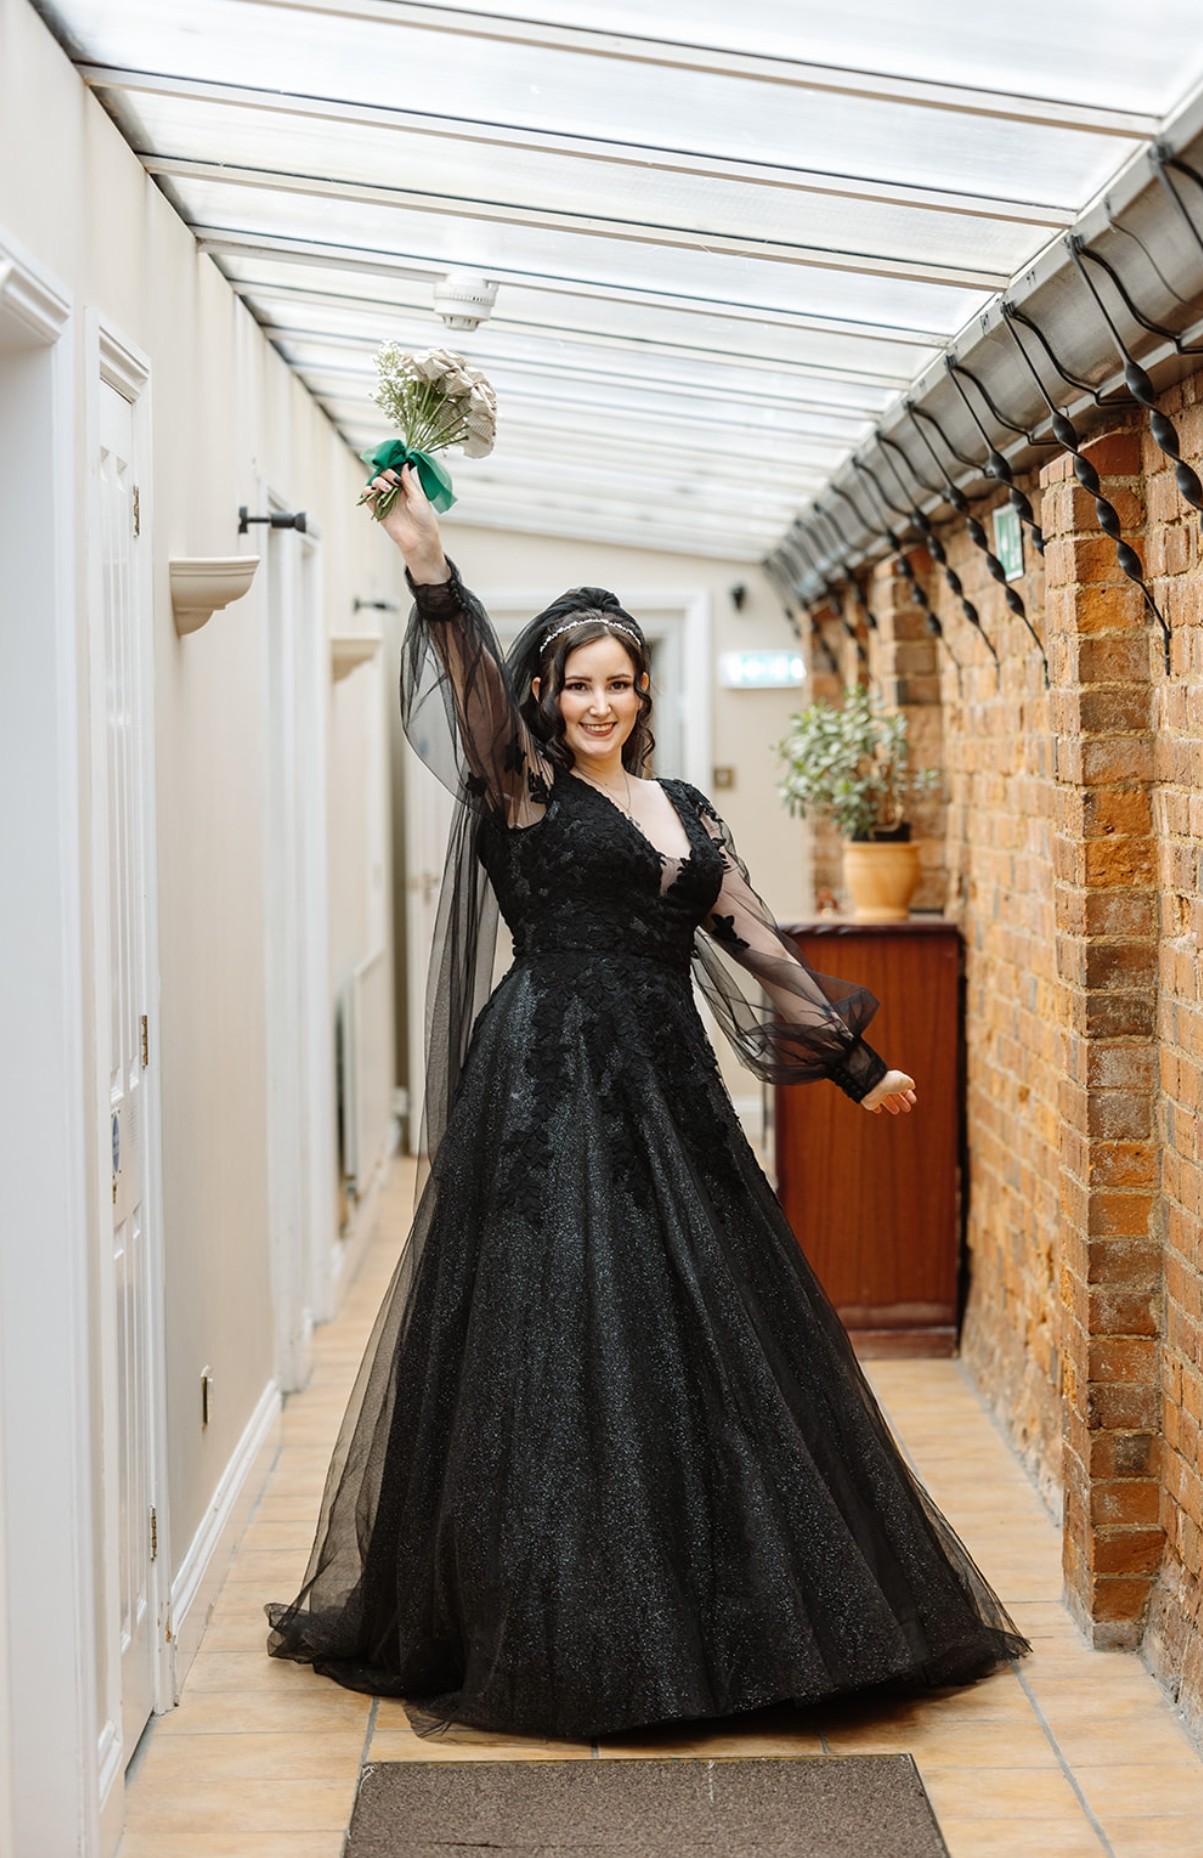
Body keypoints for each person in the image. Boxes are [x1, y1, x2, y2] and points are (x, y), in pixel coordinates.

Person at [265, 463, 1030, 1739]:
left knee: (707, 1321)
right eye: (578, 684)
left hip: (667, 1089)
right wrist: (429, 565)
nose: (599, 702)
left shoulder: (680, 809)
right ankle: (566, 1622)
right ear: (546, 696)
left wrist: (854, 1064)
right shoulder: (522, 789)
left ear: (643, 694)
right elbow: (464, 686)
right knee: (559, 1326)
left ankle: (729, 1615)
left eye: (619, 683)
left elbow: (754, 939)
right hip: (548, 1084)